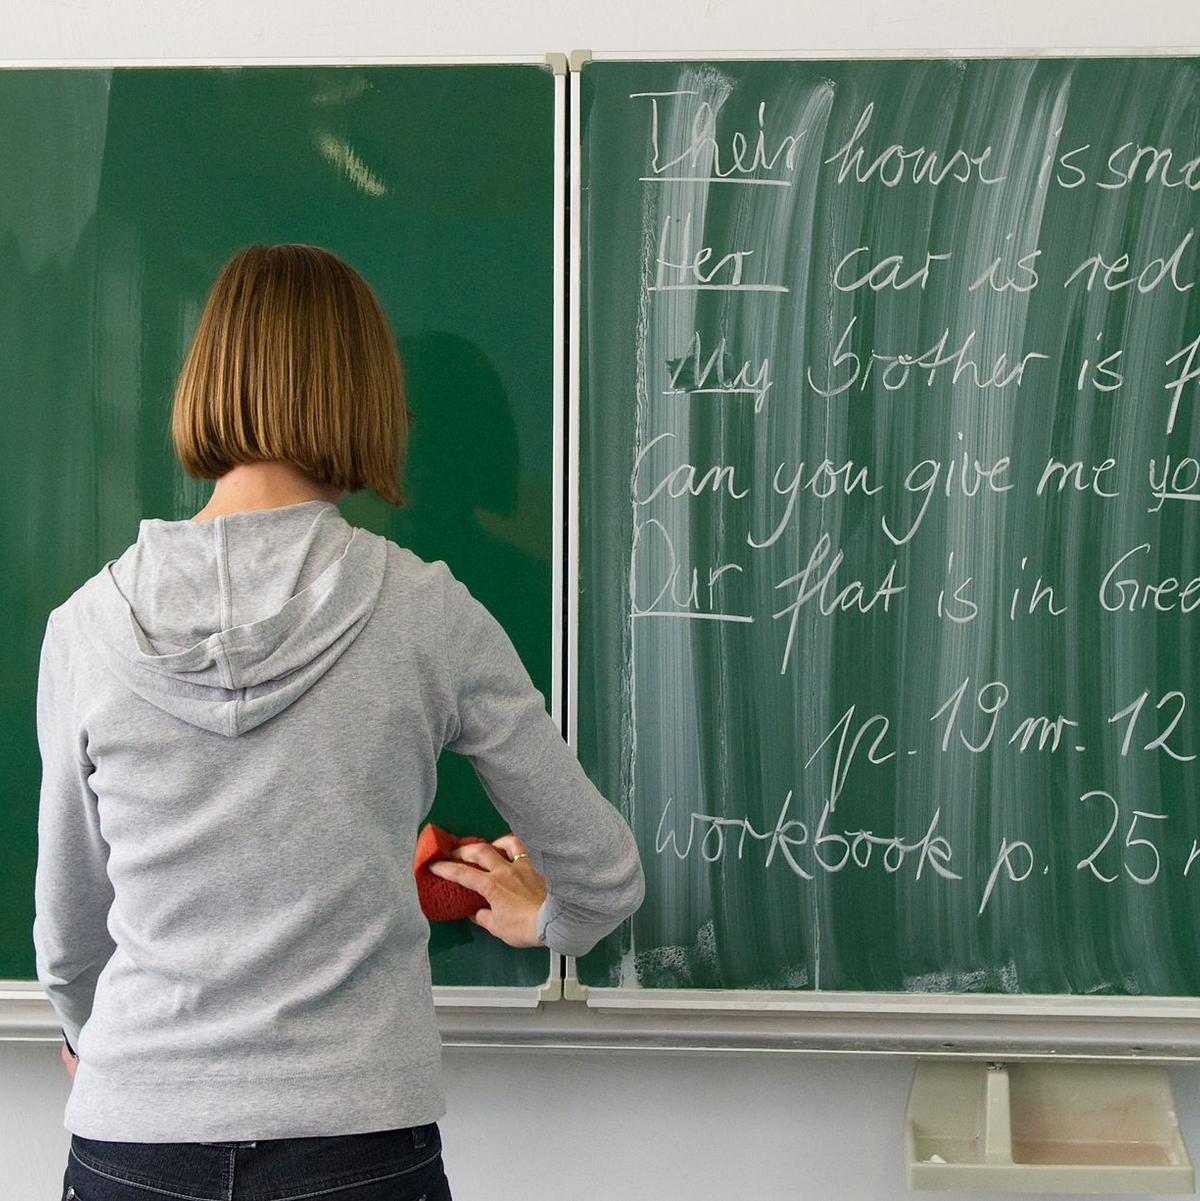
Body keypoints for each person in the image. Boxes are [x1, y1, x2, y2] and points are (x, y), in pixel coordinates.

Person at [32, 242, 645, 1201]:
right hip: (357, 1143)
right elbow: (604, 878)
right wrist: (551, 919)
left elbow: (70, 936)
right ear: (366, 399)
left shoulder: (84, 630)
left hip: (134, 1138)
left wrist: (90, 1041)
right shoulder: (429, 614)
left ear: (205, 384)